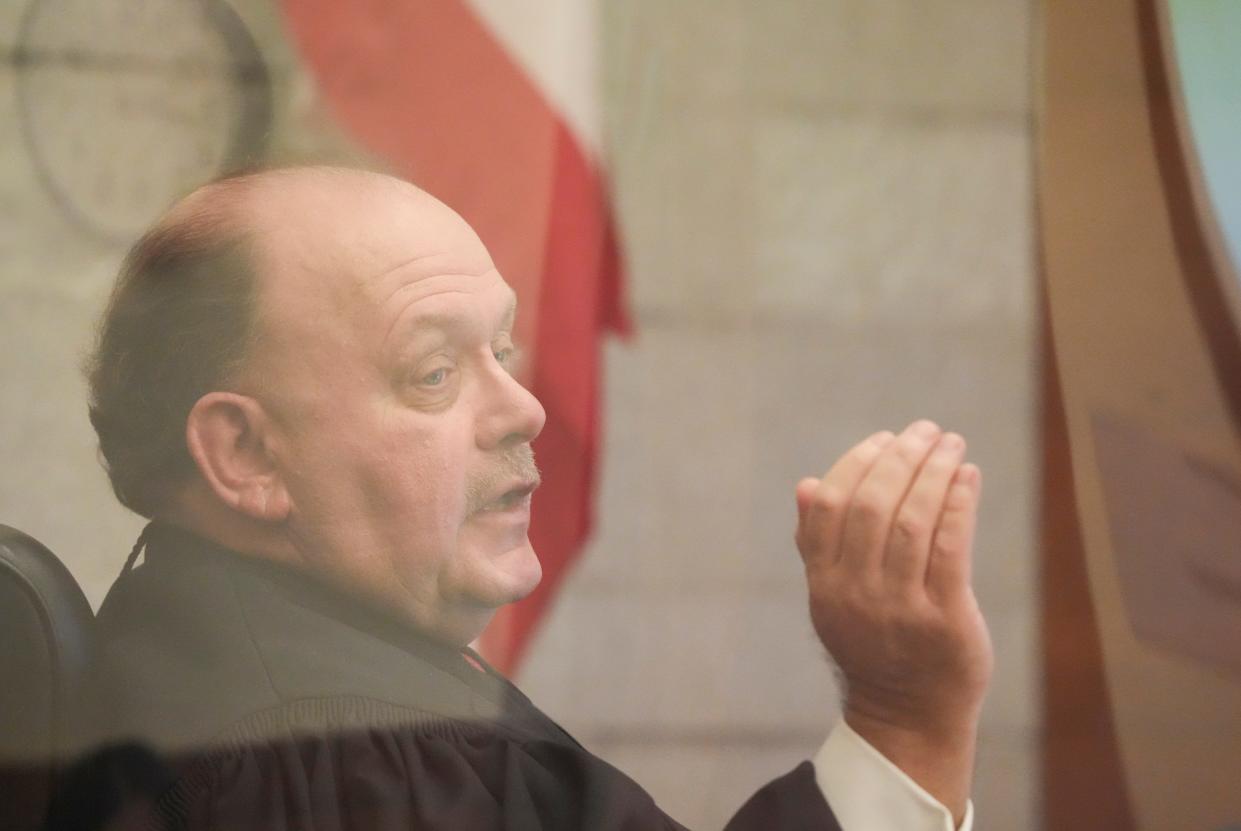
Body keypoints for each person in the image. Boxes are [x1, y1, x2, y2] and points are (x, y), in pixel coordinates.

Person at [84, 166, 992, 830]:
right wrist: (905, 719)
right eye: (434, 371)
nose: (523, 407)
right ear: (244, 455)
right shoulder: (354, 770)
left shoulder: (210, 643)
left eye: (503, 351)